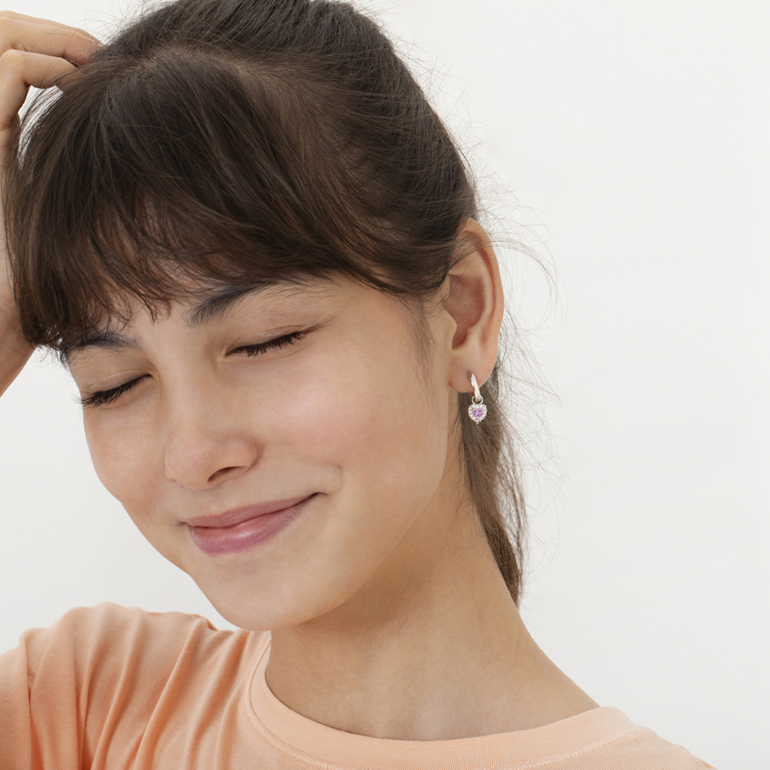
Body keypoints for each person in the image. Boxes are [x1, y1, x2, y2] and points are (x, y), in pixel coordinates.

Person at [0, 1, 716, 767]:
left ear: (462, 313)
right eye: (112, 384)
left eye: (265, 342)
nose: (193, 455)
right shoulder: (83, 708)